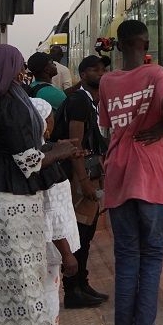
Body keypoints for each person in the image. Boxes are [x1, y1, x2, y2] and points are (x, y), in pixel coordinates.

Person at [0, 43, 87, 325]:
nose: (20, 69)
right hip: (10, 201)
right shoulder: (7, 103)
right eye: (17, 64)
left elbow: (30, 148)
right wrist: (61, 152)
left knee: (29, 281)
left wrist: (58, 147)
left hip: (19, 200)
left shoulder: (11, 96)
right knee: (20, 285)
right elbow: (28, 160)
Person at [98, 20, 163, 325]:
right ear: (145, 43)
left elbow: (107, 126)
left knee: (127, 262)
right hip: (149, 174)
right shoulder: (156, 72)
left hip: (118, 174)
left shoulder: (106, 81)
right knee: (152, 261)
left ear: (117, 47)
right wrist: (160, 128)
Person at [30, 97, 84, 325]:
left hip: (49, 244)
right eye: (50, 117)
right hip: (53, 247)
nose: (53, 121)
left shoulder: (41, 153)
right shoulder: (45, 162)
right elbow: (51, 212)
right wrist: (67, 253)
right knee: (50, 293)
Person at [59, 55, 110, 309]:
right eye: (94, 69)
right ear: (82, 74)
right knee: (78, 233)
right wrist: (84, 182)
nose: (100, 73)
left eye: (103, 69)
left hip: (88, 174)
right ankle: (73, 289)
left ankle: (82, 283)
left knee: (87, 234)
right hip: (78, 177)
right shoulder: (79, 101)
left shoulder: (92, 102)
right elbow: (75, 146)